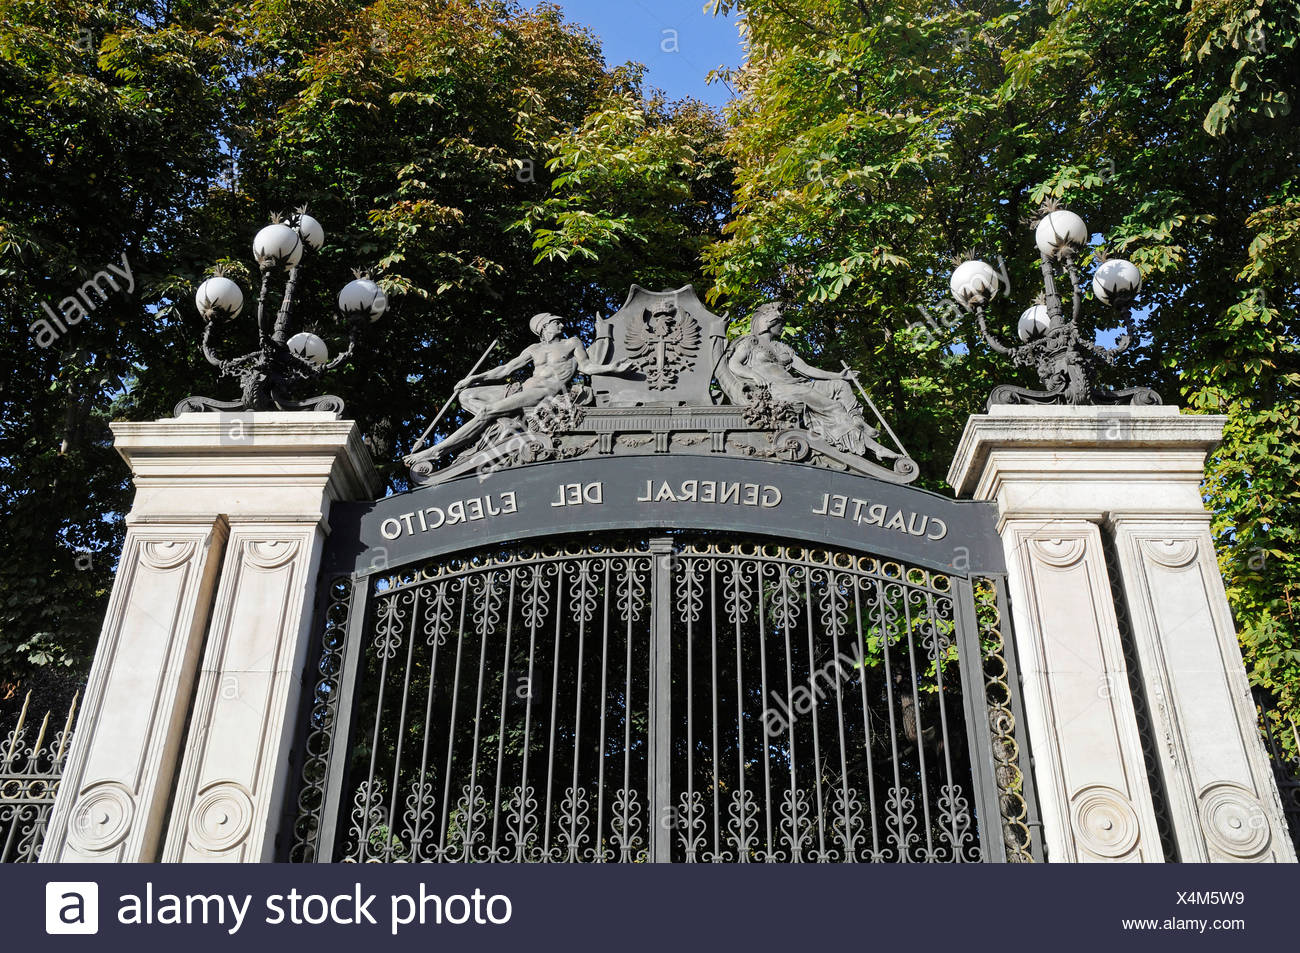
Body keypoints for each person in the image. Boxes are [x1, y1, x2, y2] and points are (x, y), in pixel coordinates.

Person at [405, 312, 633, 465]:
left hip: (545, 393)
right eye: (556, 321)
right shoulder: (533, 348)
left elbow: (586, 367)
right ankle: (503, 419)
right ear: (544, 326)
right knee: (467, 395)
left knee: (486, 411)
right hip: (521, 390)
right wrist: (473, 378)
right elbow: (505, 369)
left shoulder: (571, 343)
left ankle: (435, 451)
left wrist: (612, 368)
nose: (561, 324)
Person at [725, 302, 897, 461]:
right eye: (781, 323)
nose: (783, 328)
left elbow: (807, 369)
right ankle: (874, 447)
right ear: (770, 322)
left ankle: (856, 420)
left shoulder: (782, 347)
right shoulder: (751, 342)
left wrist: (840, 375)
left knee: (840, 386)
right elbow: (734, 364)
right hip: (779, 390)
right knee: (834, 407)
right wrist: (753, 375)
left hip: (797, 385)